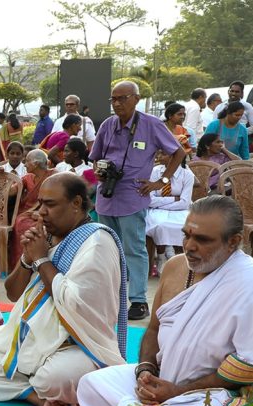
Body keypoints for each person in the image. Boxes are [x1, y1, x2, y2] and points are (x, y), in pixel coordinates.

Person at [77, 196, 253, 406]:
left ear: (233, 242)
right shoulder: (176, 266)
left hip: (221, 393)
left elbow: (251, 368)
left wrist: (178, 392)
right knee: (90, 384)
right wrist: (146, 370)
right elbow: (153, 329)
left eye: (202, 239)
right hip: (166, 379)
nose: (189, 246)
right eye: (187, 235)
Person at [0, 174, 128, 406]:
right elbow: (13, 293)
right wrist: (28, 258)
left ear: (76, 203)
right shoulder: (46, 237)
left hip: (77, 343)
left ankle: (34, 386)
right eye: (40, 203)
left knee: (53, 379)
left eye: (50, 204)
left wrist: (41, 259)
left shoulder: (97, 242)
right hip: (31, 336)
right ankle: (35, 396)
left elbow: (77, 305)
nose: (41, 212)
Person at [90, 80, 185, 322]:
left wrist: (161, 181)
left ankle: (138, 300)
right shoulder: (107, 125)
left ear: (136, 99)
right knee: (108, 249)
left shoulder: (151, 124)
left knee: (133, 248)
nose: (117, 103)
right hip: (107, 195)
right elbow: (95, 157)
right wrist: (99, 171)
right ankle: (112, 298)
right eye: (113, 99)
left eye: (122, 98)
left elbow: (178, 153)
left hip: (134, 195)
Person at [145, 152, 195, 274]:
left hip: (180, 210)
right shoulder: (154, 172)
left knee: (187, 225)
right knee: (160, 224)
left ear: (174, 158)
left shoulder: (187, 175)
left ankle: (182, 257)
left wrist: (161, 202)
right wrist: (174, 199)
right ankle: (161, 256)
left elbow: (184, 203)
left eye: (163, 154)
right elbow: (150, 200)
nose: (158, 157)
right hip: (157, 210)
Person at [10, 149, 55, 267]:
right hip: (27, 213)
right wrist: (3, 177)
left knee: (38, 225)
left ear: (36, 164)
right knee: (20, 222)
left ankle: (40, 259)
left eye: (27, 161)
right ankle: (22, 263)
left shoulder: (54, 176)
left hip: (48, 212)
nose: (24, 164)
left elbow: (56, 199)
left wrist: (40, 213)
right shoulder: (27, 177)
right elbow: (11, 191)